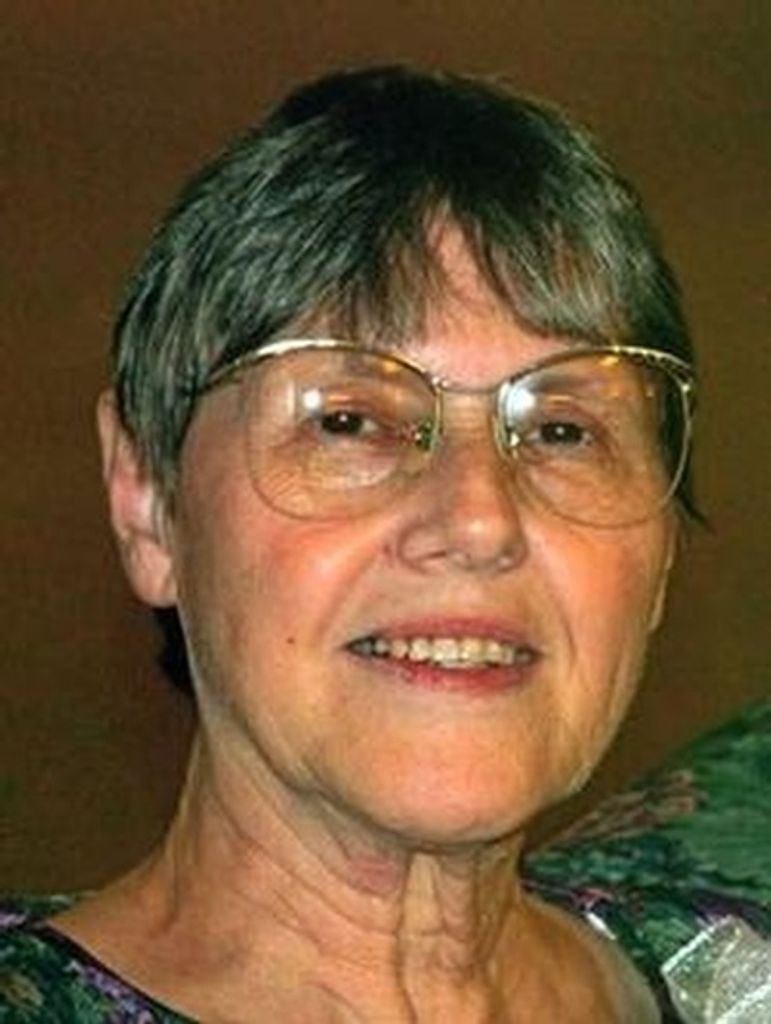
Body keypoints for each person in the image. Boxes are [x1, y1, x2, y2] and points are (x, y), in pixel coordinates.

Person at [0, 66, 698, 1021]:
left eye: (561, 431)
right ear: (149, 500)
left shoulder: (726, 978)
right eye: (350, 422)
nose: (479, 521)